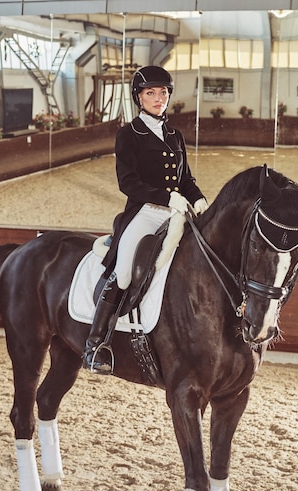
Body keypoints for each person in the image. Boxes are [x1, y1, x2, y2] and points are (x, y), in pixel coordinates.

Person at [82, 65, 208, 374]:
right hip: (145, 214)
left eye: (163, 92)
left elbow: (186, 179)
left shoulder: (175, 135)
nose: (158, 98)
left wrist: (200, 200)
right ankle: (96, 344)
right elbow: (128, 182)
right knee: (124, 273)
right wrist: (166, 198)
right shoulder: (129, 134)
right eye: (150, 93)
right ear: (139, 97)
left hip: (177, 213)